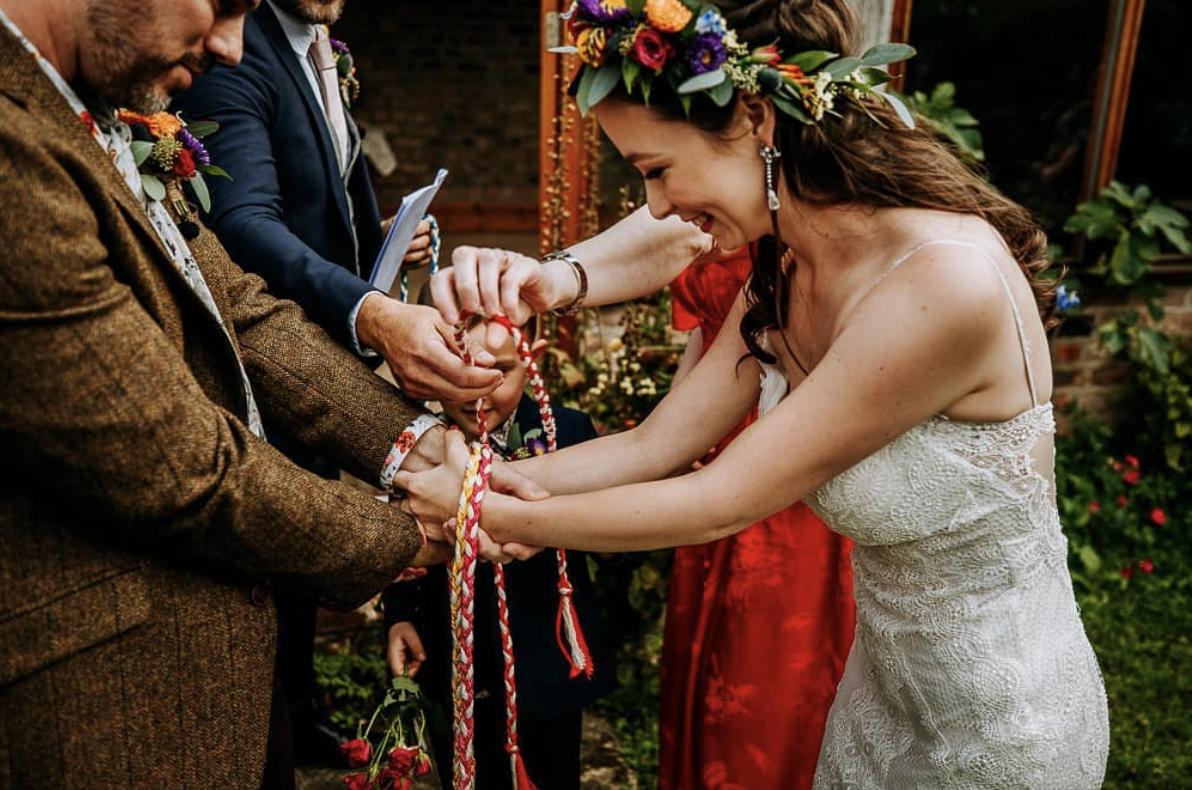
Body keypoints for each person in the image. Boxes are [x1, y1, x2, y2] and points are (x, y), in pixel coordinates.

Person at [397, 1, 1110, 786]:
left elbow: (720, 498)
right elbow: (656, 445)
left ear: (756, 118)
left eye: (656, 171)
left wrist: (479, 516)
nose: (659, 209)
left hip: (1003, 723)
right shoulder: (786, 268)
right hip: (881, 705)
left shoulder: (944, 284)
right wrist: (469, 477)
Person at [0, 0, 533, 785]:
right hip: (98, 706)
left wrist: (417, 443)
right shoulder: (14, 150)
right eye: (226, 3)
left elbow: (241, 310)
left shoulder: (98, 106)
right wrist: (414, 530)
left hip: (212, 663)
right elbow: (182, 468)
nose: (231, 46)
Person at [170, 0, 489, 765]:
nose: (226, 36)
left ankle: (297, 705)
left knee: (290, 604)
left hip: (314, 356)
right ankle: (275, 724)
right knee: (267, 583)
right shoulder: (229, 57)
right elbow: (242, 228)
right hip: (264, 380)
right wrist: (372, 314)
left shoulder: (319, 49)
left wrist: (379, 249)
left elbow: (320, 205)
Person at [383, 304, 615, 790]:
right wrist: (400, 615)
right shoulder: (420, 449)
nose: (476, 391)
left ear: (534, 361)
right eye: (458, 372)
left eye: (498, 371)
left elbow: (612, 538)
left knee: (552, 771)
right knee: (467, 768)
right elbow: (403, 540)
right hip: (454, 652)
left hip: (543, 656)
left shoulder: (568, 433)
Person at [660, 246, 854, 789]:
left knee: (770, 666)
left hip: (799, 460)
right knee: (712, 665)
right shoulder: (716, 236)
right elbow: (705, 340)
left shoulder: (829, 251)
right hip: (716, 437)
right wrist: (677, 441)